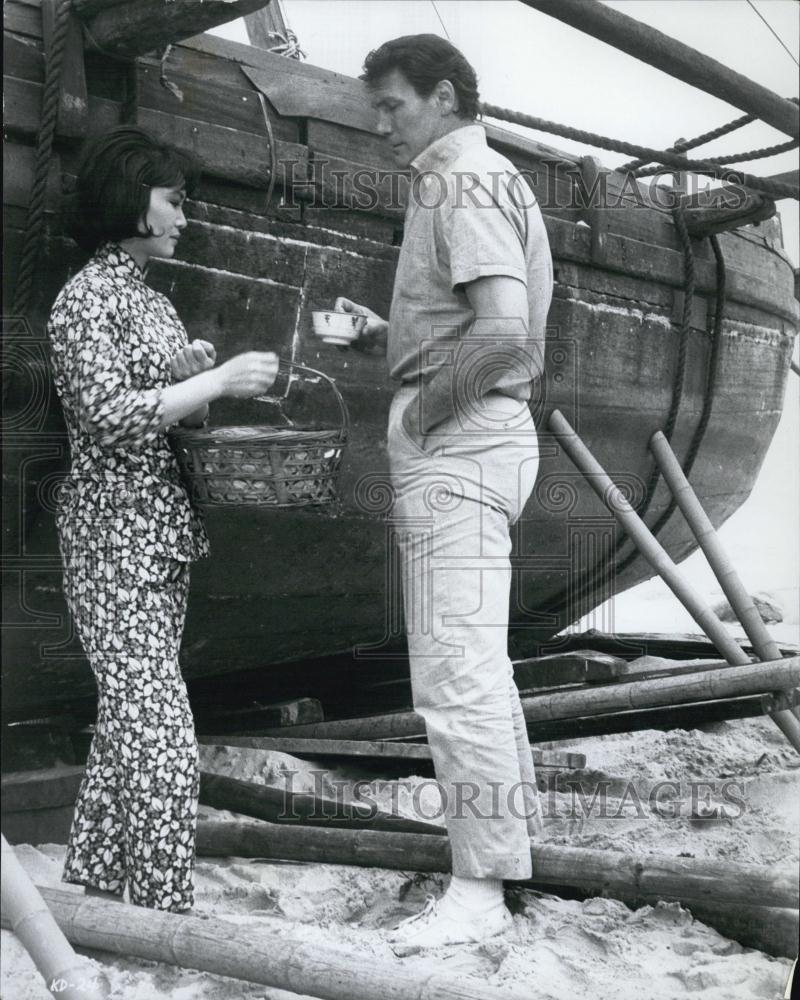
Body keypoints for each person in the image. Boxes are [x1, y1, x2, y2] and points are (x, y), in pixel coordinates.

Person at [335, 35, 553, 953]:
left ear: (446, 96)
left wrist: (424, 415)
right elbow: (486, 321)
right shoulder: (487, 174)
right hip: (487, 438)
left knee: (455, 678)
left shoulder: (458, 181)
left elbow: (502, 334)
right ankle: (513, 848)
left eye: (393, 106)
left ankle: (480, 889)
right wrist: (395, 338)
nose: (379, 124)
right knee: (482, 670)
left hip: (460, 446)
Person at [48, 126, 279, 912]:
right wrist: (212, 377)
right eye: (174, 200)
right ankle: (163, 905)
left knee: (129, 723)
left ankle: (91, 887)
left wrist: (193, 385)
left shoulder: (150, 300)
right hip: (113, 536)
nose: (186, 216)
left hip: (162, 532)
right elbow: (107, 418)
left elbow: (182, 429)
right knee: (160, 729)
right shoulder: (83, 299)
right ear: (130, 199)